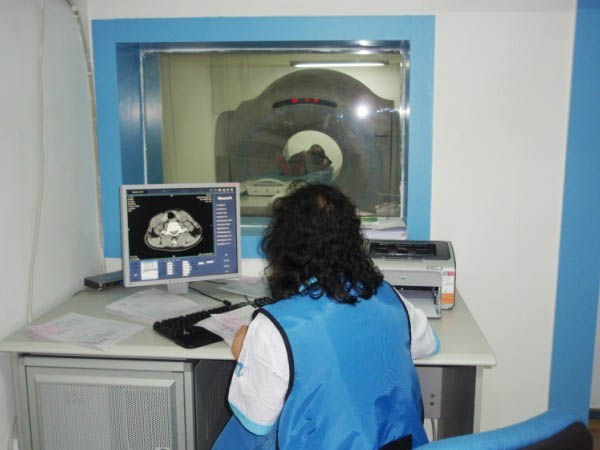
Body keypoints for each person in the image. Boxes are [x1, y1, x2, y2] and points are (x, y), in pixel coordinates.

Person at [213, 183, 439, 450]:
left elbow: (256, 419)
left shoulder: (275, 326)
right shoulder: (391, 298)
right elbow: (427, 345)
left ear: (285, 247)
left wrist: (245, 354)